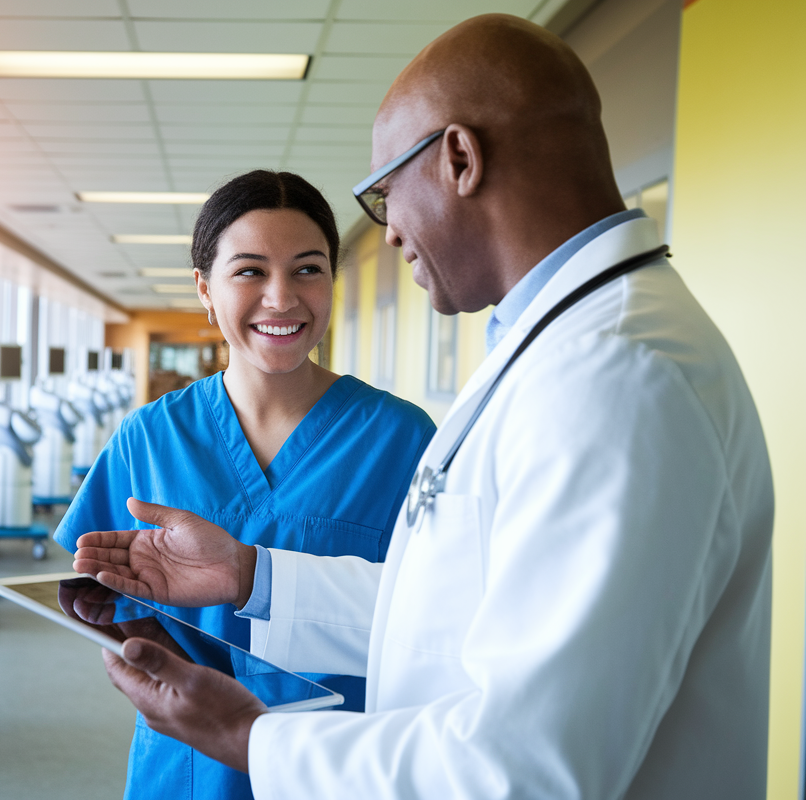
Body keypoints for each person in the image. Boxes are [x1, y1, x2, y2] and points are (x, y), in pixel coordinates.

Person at [73, 14, 773, 800]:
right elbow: (449, 615)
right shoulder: (556, 351)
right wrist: (250, 575)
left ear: (459, 159)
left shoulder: (615, 376)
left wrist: (249, 735)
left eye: (382, 193)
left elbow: (524, 770)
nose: (393, 232)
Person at [53, 169, 436, 800]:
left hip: (340, 765)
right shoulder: (149, 437)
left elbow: (437, 616)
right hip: (188, 768)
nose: (281, 298)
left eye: (308, 269)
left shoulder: (403, 440)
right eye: (250, 271)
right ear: (206, 289)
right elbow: (99, 596)